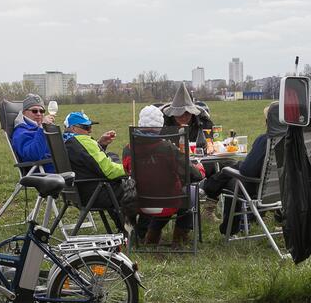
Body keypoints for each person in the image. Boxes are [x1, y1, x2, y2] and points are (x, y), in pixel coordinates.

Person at [122, 105, 205, 246]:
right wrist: (200, 167)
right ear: (160, 126)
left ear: (140, 124)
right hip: (169, 203)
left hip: (140, 202)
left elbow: (127, 171)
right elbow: (195, 175)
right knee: (190, 191)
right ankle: (179, 238)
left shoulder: (128, 150)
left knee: (168, 194)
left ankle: (149, 235)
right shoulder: (167, 148)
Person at [201, 102, 286, 234]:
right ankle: (211, 187)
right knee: (233, 170)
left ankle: (229, 229)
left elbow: (247, 170)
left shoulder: (265, 140)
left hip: (259, 189)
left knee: (233, 182)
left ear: (268, 122)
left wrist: (237, 167)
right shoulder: (296, 141)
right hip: (284, 189)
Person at [63, 111, 127, 215]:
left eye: (90, 127)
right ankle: (139, 228)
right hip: (97, 193)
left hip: (78, 193)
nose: (90, 130)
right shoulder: (83, 141)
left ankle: (124, 226)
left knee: (112, 155)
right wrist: (133, 168)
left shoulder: (66, 141)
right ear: (73, 128)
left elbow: (85, 158)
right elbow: (109, 171)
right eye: (86, 127)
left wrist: (100, 144)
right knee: (138, 189)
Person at [11, 94, 56, 172]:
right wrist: (42, 129)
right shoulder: (20, 132)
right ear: (24, 112)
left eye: (42, 111)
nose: (39, 114)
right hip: (46, 172)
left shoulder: (40, 128)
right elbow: (33, 155)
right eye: (34, 111)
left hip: (62, 167)